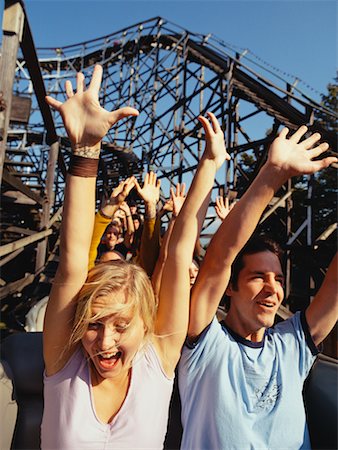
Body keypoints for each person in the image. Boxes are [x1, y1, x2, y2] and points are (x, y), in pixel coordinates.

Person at [42, 65, 228, 449]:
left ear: (146, 323)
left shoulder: (157, 360)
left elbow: (177, 256)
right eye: (93, 324)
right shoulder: (64, 361)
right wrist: (86, 151)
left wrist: (209, 166)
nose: (104, 341)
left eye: (121, 325)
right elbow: (74, 263)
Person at [178, 125, 338, 449]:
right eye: (257, 277)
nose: (272, 288)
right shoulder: (206, 344)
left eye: (278, 279)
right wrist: (272, 175)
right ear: (229, 288)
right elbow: (220, 259)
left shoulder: (291, 346)